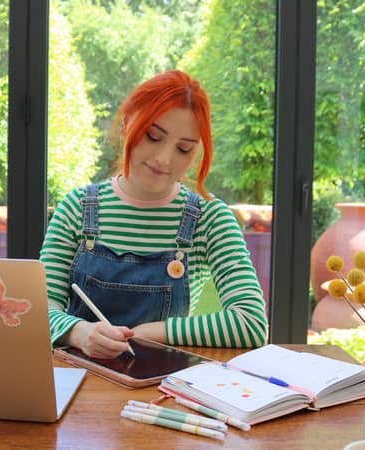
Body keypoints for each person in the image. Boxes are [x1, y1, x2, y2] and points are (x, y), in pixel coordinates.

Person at [41, 70, 268, 359]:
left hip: (163, 390)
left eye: (183, 149)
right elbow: (37, 310)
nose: (164, 159)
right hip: (78, 385)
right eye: (153, 136)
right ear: (126, 126)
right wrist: (79, 333)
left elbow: (251, 323)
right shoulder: (76, 207)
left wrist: (152, 332)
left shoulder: (210, 219)